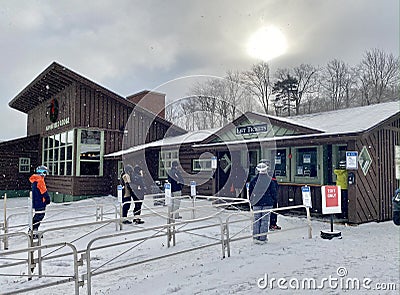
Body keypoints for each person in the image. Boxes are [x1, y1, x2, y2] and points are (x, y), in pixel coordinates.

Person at [249, 162, 277, 244]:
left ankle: (255, 236)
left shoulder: (254, 180)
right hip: (267, 202)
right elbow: (273, 192)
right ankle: (263, 237)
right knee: (265, 220)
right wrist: (274, 200)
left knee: (256, 220)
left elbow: (250, 192)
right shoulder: (269, 180)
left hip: (256, 202)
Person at [29, 165, 51, 237]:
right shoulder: (40, 180)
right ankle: (33, 230)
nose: (45, 175)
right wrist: (47, 199)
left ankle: (32, 229)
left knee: (37, 215)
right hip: (40, 201)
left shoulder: (35, 180)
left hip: (36, 201)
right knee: (39, 215)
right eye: (45, 173)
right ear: (42, 172)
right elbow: (44, 191)